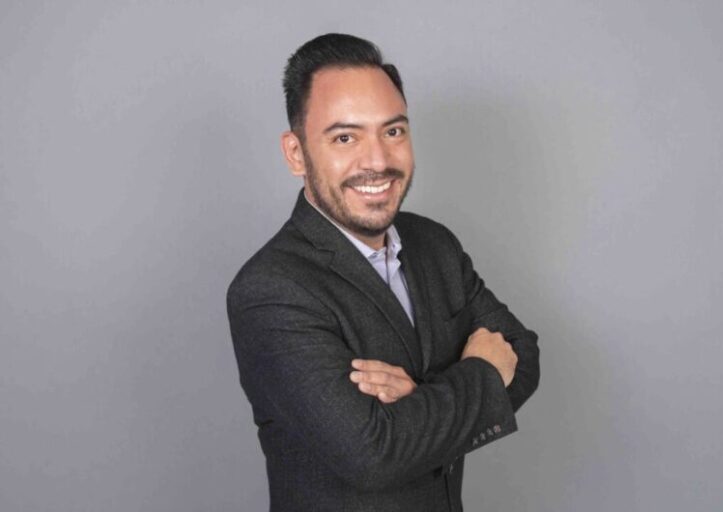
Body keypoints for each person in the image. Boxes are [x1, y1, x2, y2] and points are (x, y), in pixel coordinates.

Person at [227, 33, 540, 512]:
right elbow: (374, 455)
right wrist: (477, 374)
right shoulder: (270, 289)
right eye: (345, 138)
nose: (377, 161)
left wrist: (420, 400)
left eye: (393, 132)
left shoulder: (435, 244)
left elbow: (524, 355)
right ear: (296, 154)